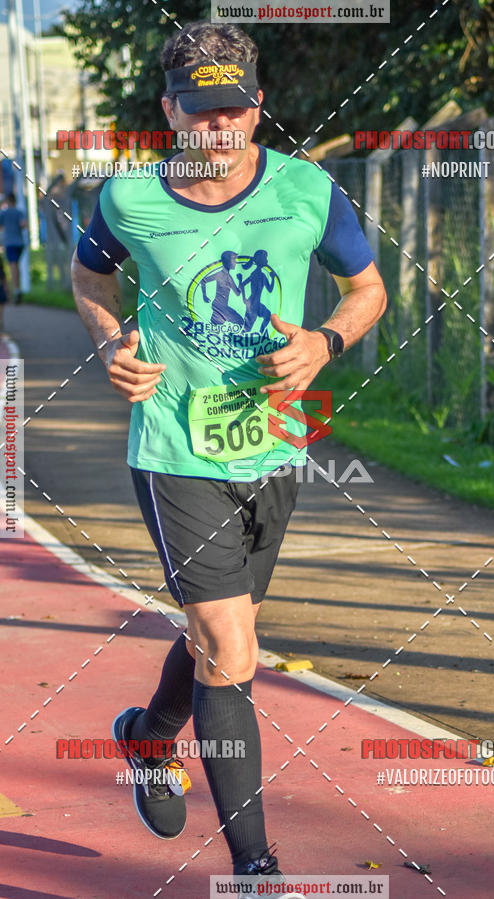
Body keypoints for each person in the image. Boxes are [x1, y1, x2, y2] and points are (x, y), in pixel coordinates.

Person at [71, 20, 386, 886]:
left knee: (224, 632)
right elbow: (89, 274)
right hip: (173, 441)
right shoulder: (128, 201)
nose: (221, 129)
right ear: (171, 111)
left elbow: (369, 290)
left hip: (275, 439)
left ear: (259, 107)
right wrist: (107, 339)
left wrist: (325, 341)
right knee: (231, 643)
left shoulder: (308, 192)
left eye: (235, 111)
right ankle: (256, 867)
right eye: (202, 112)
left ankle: (148, 735)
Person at [0, 193, 27, 303]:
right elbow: (23, 225)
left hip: (10, 243)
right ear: (15, 201)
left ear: (7, 201)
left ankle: (15, 290)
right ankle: (17, 288)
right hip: (19, 243)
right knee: (16, 264)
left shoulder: (4, 213)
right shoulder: (19, 212)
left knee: (12, 265)